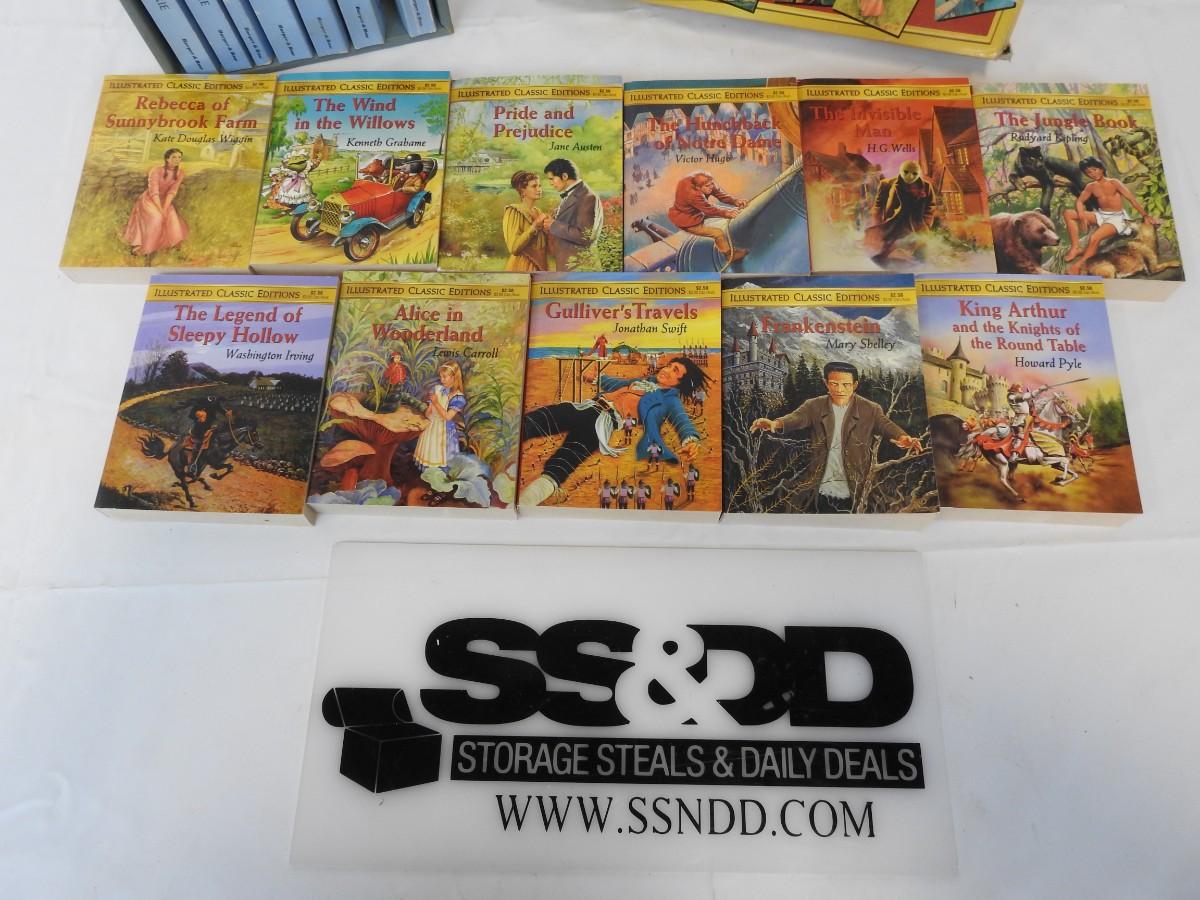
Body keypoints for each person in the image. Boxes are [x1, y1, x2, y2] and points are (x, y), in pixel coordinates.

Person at [519, 357, 711, 507]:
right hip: (587, 408)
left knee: (563, 464)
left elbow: (681, 419)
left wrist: (690, 439)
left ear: (680, 382)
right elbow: (618, 384)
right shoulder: (645, 381)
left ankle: (525, 503)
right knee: (539, 420)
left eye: (675, 370)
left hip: (603, 423)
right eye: (669, 365)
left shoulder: (670, 400)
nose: (667, 370)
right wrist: (597, 378)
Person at [750, 362, 923, 513]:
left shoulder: (870, 409)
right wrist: (775, 423)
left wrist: (903, 437)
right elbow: (796, 418)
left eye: (846, 385)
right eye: (834, 384)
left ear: (855, 385)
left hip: (855, 488)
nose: (840, 389)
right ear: (826, 383)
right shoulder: (814, 406)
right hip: (819, 487)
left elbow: (886, 425)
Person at [1064, 157, 1159, 275]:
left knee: (1095, 238)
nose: (1092, 174)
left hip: (1117, 218)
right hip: (1101, 215)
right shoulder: (1091, 186)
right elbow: (1079, 201)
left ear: (1101, 168)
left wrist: (1145, 215)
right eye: (1088, 172)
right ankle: (1075, 247)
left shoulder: (1114, 183)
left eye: (1094, 170)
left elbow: (1131, 199)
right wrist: (1082, 216)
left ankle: (1080, 265)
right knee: (1068, 213)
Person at [667, 171, 748, 268]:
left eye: (711, 184)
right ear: (698, 188)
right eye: (707, 186)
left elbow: (720, 195)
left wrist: (735, 201)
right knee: (718, 233)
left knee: (730, 211)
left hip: (698, 210)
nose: (711, 187)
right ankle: (729, 255)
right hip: (687, 220)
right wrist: (726, 213)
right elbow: (709, 210)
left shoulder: (707, 182)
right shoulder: (693, 195)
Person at [868, 160, 936, 267]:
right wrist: (878, 224)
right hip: (894, 223)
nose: (910, 176)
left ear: (918, 173)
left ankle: (917, 265)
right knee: (885, 253)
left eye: (914, 173)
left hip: (916, 224)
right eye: (906, 172)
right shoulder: (886, 184)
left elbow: (930, 207)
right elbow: (878, 207)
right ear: (901, 171)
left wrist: (925, 224)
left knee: (920, 254)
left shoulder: (926, 187)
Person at [124, 148, 188, 257]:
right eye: (174, 157)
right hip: (150, 200)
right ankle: (144, 248)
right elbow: (154, 192)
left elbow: (172, 192)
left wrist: (165, 208)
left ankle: (170, 248)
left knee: (172, 218)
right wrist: (160, 209)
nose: (177, 159)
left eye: (179, 157)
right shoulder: (156, 170)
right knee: (157, 218)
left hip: (165, 201)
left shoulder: (180, 173)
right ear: (167, 159)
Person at [542, 158, 602, 271]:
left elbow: (585, 236)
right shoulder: (575, 194)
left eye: (552, 178)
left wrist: (553, 225)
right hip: (570, 265)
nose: (550, 183)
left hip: (580, 268)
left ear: (564, 176)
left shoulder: (587, 197)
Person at [413, 362, 467, 470]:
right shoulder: (437, 389)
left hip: (444, 431)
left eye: (444, 377)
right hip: (431, 426)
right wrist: (430, 406)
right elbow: (428, 413)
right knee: (429, 451)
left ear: (454, 377)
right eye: (441, 377)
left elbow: (447, 417)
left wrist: (436, 403)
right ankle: (428, 474)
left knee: (441, 456)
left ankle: (442, 474)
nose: (442, 380)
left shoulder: (458, 397)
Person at [503, 171, 551, 272]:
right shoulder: (514, 211)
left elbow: (544, 246)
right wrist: (534, 226)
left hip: (540, 266)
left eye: (540, 185)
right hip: (521, 265)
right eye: (534, 186)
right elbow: (513, 248)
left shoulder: (538, 212)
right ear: (522, 190)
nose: (539, 189)